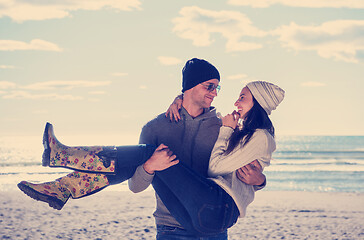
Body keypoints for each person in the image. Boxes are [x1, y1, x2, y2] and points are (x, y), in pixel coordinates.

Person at [17, 58, 283, 239]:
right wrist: (148, 168)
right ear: (190, 87)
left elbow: (242, 168)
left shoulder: (224, 127)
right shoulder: (156, 127)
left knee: (145, 150)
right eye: (209, 86)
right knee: (146, 153)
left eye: (217, 87)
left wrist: (261, 180)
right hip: (171, 227)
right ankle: (62, 187)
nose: (216, 93)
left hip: (210, 226)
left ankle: (63, 171)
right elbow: (134, 185)